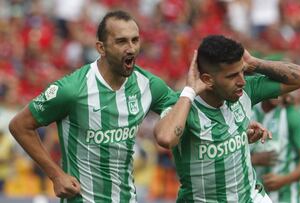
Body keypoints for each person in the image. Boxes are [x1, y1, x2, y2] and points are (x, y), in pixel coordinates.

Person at [8, 10, 176, 203]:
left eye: (135, 40)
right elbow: (19, 125)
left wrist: (189, 95)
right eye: (121, 41)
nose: (131, 48)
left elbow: (178, 105)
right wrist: (55, 175)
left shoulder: (146, 84)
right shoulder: (72, 89)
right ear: (101, 48)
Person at [153, 35, 300, 202]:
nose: (242, 81)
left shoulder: (245, 91)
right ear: (207, 79)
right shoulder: (184, 105)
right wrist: (189, 91)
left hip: (250, 197)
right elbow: (165, 138)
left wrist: (255, 63)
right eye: (232, 76)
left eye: (242, 71)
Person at [251, 94, 300, 203]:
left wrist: (284, 180)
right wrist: (253, 159)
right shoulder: (247, 111)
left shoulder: (293, 115)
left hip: (285, 196)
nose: (278, 91)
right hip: (253, 194)